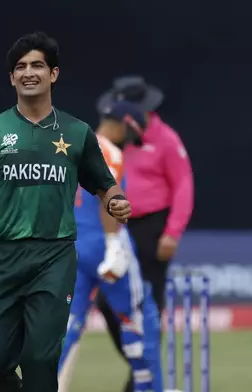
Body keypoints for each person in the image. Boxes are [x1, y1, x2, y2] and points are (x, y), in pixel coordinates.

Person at [0, 32, 132, 392]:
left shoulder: (77, 132)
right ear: (11, 78)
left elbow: (104, 183)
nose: (28, 72)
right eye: (20, 67)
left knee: (39, 360)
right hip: (3, 259)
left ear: (53, 74)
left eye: (37, 65)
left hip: (53, 257)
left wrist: (115, 200)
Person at [95, 76, 194, 392]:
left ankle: (141, 380)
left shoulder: (165, 138)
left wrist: (172, 233)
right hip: (115, 225)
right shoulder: (108, 138)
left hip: (151, 227)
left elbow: (183, 186)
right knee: (109, 304)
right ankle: (142, 369)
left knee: (147, 307)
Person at [57, 101, 163, 392]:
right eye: (131, 135)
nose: (129, 144)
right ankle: (149, 388)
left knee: (66, 328)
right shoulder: (110, 151)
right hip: (103, 244)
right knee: (139, 319)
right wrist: (114, 244)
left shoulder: (69, 146)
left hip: (69, 247)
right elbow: (110, 201)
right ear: (124, 124)